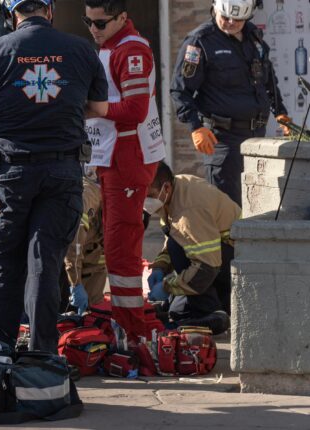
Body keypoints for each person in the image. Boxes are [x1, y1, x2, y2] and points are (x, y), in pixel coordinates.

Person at [0, 0, 108, 353]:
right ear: (49, 11)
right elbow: (100, 108)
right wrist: (62, 115)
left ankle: (0, 348)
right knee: (46, 261)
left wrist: (1, 120)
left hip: (12, 173)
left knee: (5, 263)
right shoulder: (82, 49)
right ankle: (42, 353)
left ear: (13, 13)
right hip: (62, 172)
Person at [84, 0, 166, 340]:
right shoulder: (112, 46)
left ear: (122, 18)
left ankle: (133, 329)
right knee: (114, 242)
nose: (93, 29)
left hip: (128, 158)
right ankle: (127, 320)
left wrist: (91, 108)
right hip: (114, 156)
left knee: (121, 246)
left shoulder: (131, 50)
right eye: (87, 22)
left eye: (101, 23)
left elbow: (134, 108)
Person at [171, 0, 289, 207]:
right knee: (227, 211)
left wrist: (281, 113)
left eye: (238, 19)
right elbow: (180, 90)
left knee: (256, 207)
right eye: (225, 17)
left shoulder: (254, 38)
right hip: (224, 140)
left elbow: (268, 79)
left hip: (257, 138)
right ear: (215, 9)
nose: (231, 23)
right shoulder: (200, 42)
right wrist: (195, 127)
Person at [144, 162, 236, 335]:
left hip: (230, 264)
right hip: (220, 260)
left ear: (166, 187)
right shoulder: (174, 193)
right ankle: (217, 308)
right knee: (176, 312)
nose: (146, 201)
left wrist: (166, 287)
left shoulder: (188, 210)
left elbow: (205, 267)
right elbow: (176, 237)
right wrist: (160, 266)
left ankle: (208, 312)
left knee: (176, 249)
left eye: (150, 195)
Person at [61, 176, 106, 315]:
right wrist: (76, 284)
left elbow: (98, 257)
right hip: (58, 255)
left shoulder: (108, 211)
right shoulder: (88, 196)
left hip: (72, 259)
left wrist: (94, 303)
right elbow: (73, 244)